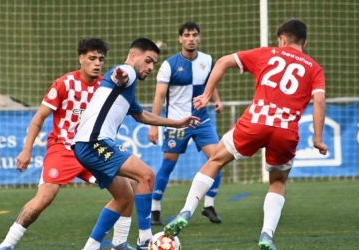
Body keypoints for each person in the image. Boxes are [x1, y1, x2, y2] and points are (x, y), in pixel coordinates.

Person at [164, 19, 328, 250]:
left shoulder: (266, 53)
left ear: (281, 39)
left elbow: (222, 62)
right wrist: (318, 139)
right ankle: (266, 235)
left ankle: (185, 211)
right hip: (285, 129)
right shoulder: (314, 68)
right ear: (304, 42)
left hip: (255, 122)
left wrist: (207, 94)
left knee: (216, 160)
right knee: (278, 181)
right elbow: (319, 100)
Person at [0, 37, 136, 250]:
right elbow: (38, 119)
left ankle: (119, 243)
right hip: (63, 147)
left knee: (131, 183)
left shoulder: (105, 87)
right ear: (81, 58)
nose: (97, 63)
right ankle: (6, 245)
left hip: (92, 147)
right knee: (44, 198)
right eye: (92, 58)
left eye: (101, 58)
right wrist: (27, 150)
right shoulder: (64, 84)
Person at [72, 38, 200, 250]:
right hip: (94, 143)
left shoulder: (126, 91)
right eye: (148, 61)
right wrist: (121, 74)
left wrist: (177, 122)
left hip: (87, 145)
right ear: (133, 56)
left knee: (125, 196)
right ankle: (145, 240)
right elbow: (121, 74)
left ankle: (101, 246)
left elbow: (141, 115)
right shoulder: (126, 72)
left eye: (154, 64)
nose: (150, 67)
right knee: (147, 175)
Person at [148, 22, 224, 225]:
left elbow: (210, 83)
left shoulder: (207, 60)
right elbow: (159, 96)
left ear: (199, 38)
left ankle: (208, 205)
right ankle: (155, 209)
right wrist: (154, 125)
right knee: (168, 164)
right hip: (177, 123)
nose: (191, 38)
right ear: (180, 39)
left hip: (202, 120)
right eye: (187, 35)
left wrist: (216, 100)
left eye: (194, 35)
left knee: (218, 159)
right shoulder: (168, 65)